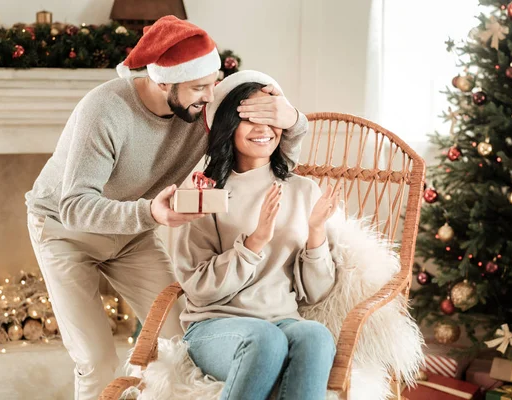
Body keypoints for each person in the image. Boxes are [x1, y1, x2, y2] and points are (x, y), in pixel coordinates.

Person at [24, 17, 308, 399]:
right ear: (162, 81)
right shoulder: (104, 110)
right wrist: (151, 214)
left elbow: (266, 154)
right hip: (65, 232)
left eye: (213, 83)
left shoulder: (199, 109)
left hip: (132, 237)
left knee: (180, 342)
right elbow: (74, 206)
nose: (209, 97)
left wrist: (293, 119)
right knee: (97, 360)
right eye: (198, 87)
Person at [174, 71, 340, 400]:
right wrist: (254, 244)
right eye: (250, 118)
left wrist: (316, 233)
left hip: (282, 321)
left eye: (270, 116)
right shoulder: (203, 191)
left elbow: (316, 294)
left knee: (316, 336)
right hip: (215, 327)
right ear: (227, 126)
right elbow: (198, 288)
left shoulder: (303, 190)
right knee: (265, 339)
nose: (263, 129)